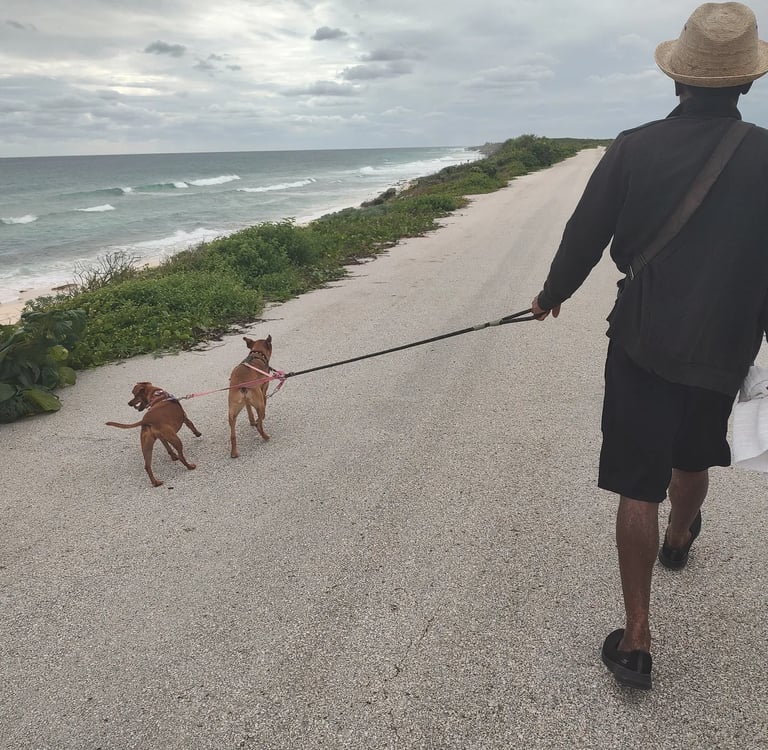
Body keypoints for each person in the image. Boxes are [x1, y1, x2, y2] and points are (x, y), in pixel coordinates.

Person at [531, 2, 768, 690]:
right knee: (695, 451)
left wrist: (551, 296)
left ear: (678, 80)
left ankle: (636, 641)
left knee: (638, 483)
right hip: (725, 340)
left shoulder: (634, 145)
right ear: (746, 84)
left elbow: (586, 234)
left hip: (643, 336)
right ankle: (679, 538)